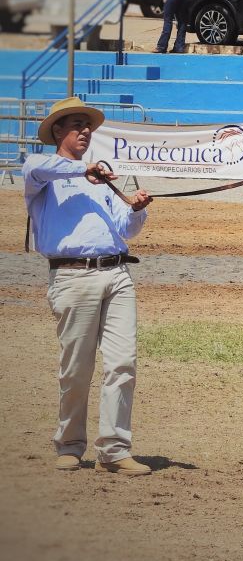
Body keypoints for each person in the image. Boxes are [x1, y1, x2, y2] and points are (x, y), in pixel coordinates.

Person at [23, 96, 154, 475]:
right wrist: (84, 173)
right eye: (76, 125)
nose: (85, 131)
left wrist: (136, 208)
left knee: (123, 363)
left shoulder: (101, 179)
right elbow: (41, 168)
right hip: (72, 275)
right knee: (76, 367)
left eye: (88, 126)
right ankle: (70, 443)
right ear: (57, 132)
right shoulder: (41, 171)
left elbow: (125, 230)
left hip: (117, 273)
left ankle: (114, 449)